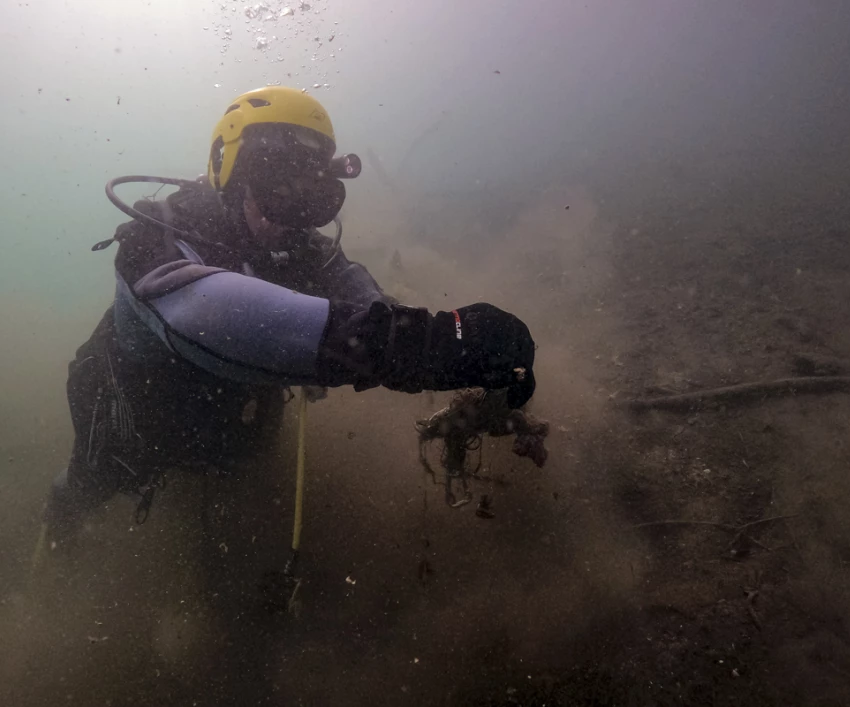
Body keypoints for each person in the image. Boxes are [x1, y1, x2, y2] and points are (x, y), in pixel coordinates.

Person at [42, 86, 536, 545]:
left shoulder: (305, 252)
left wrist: (459, 344)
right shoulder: (157, 239)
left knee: (244, 482)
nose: (292, 217)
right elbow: (202, 311)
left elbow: (374, 310)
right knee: (90, 482)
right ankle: (62, 512)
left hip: (234, 424)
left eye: (312, 196)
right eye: (280, 189)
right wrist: (416, 345)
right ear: (231, 174)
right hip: (135, 426)